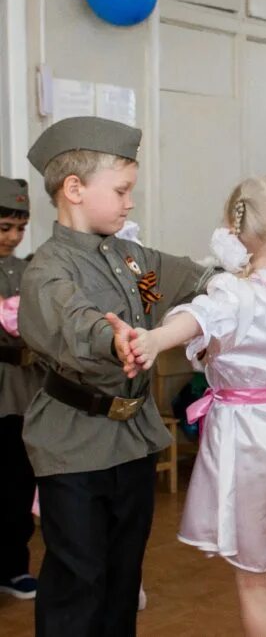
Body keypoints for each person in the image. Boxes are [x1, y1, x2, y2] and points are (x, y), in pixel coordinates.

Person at [17, 116, 208, 636]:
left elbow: (195, 278)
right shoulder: (47, 270)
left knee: (124, 579)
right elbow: (77, 325)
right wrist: (116, 338)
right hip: (74, 446)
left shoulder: (129, 258)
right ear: (74, 189)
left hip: (133, 438)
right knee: (78, 580)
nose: (129, 203)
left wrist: (243, 275)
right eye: (121, 191)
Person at [113, 175, 266, 637]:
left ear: (234, 226)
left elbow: (198, 319)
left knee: (252, 577)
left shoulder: (235, 292)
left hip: (249, 439)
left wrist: (153, 338)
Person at [0, 176, 44, 601]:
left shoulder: (29, 270)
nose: (13, 237)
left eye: (20, 228)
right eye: (4, 228)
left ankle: (13, 567)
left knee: (17, 482)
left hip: (21, 393)